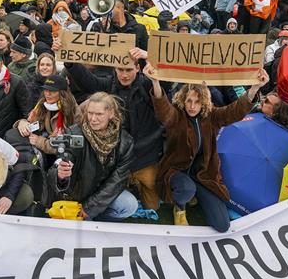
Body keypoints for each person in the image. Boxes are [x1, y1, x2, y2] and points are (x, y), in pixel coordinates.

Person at [145, 64, 269, 232]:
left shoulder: (212, 116)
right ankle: (180, 207)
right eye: (189, 100)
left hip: (204, 175)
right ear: (183, 100)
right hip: (177, 171)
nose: (192, 106)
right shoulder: (177, 116)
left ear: (204, 103)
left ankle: (195, 194)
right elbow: (164, 110)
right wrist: (155, 83)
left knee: (222, 225)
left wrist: (255, 88)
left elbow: (235, 110)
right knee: (186, 189)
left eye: (197, 102)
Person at [60, 48, 165, 209]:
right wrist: (69, 60)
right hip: (117, 154)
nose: (124, 75)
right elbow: (88, 81)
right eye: (120, 70)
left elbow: (166, 80)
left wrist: (149, 56)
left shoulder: (147, 84)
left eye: (129, 70)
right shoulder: (109, 84)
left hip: (145, 154)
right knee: (114, 191)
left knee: (151, 199)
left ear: (138, 68)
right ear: (114, 69)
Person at [43, 92, 138, 221]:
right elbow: (60, 163)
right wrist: (61, 175)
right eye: (90, 113)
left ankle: (97, 222)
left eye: (99, 114)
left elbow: (117, 181)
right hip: (75, 196)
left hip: (100, 194)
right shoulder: (73, 133)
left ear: (111, 114)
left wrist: (89, 208)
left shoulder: (125, 141)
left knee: (129, 205)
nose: (93, 119)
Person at [9, 74, 80, 172]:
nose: (47, 94)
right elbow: (32, 124)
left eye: (52, 91)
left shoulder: (73, 112)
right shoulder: (42, 104)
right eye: (45, 90)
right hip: (47, 152)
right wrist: (22, 122)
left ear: (62, 93)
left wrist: (41, 142)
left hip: (63, 159)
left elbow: (72, 145)